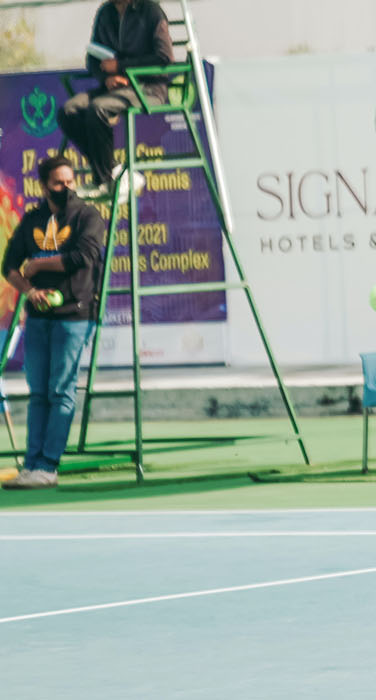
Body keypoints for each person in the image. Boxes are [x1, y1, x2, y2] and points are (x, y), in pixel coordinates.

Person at [2, 157, 107, 490]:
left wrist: (39, 264)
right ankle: (31, 465)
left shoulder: (87, 216)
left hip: (74, 316)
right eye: (59, 183)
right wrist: (30, 292)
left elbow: (85, 257)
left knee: (61, 391)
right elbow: (9, 265)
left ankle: (48, 466)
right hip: (38, 318)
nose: (67, 188)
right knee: (39, 394)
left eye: (71, 181)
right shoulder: (33, 218)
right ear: (44, 185)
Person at [59, 0, 173, 199]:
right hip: (113, 87)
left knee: (98, 108)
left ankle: (107, 177)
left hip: (147, 88)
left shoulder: (151, 11)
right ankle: (111, 173)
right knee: (68, 111)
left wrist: (121, 67)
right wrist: (107, 78)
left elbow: (164, 58)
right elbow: (93, 58)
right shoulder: (105, 13)